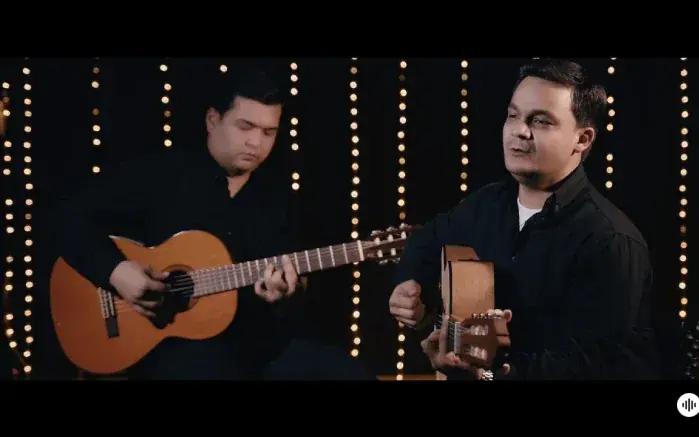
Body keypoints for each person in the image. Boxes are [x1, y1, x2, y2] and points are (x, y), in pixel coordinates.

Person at [58, 65, 371, 380]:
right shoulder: (162, 175)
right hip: (173, 352)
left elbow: (290, 307)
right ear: (212, 120)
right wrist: (116, 272)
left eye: (268, 132)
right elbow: (67, 218)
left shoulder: (279, 200)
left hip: (258, 353)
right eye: (245, 127)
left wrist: (284, 297)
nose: (256, 143)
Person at [389, 59, 663, 380]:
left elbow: (598, 363)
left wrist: (494, 374)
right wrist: (411, 288)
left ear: (583, 139)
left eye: (541, 121)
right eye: (513, 116)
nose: (519, 130)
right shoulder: (485, 205)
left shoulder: (610, 240)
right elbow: (425, 241)